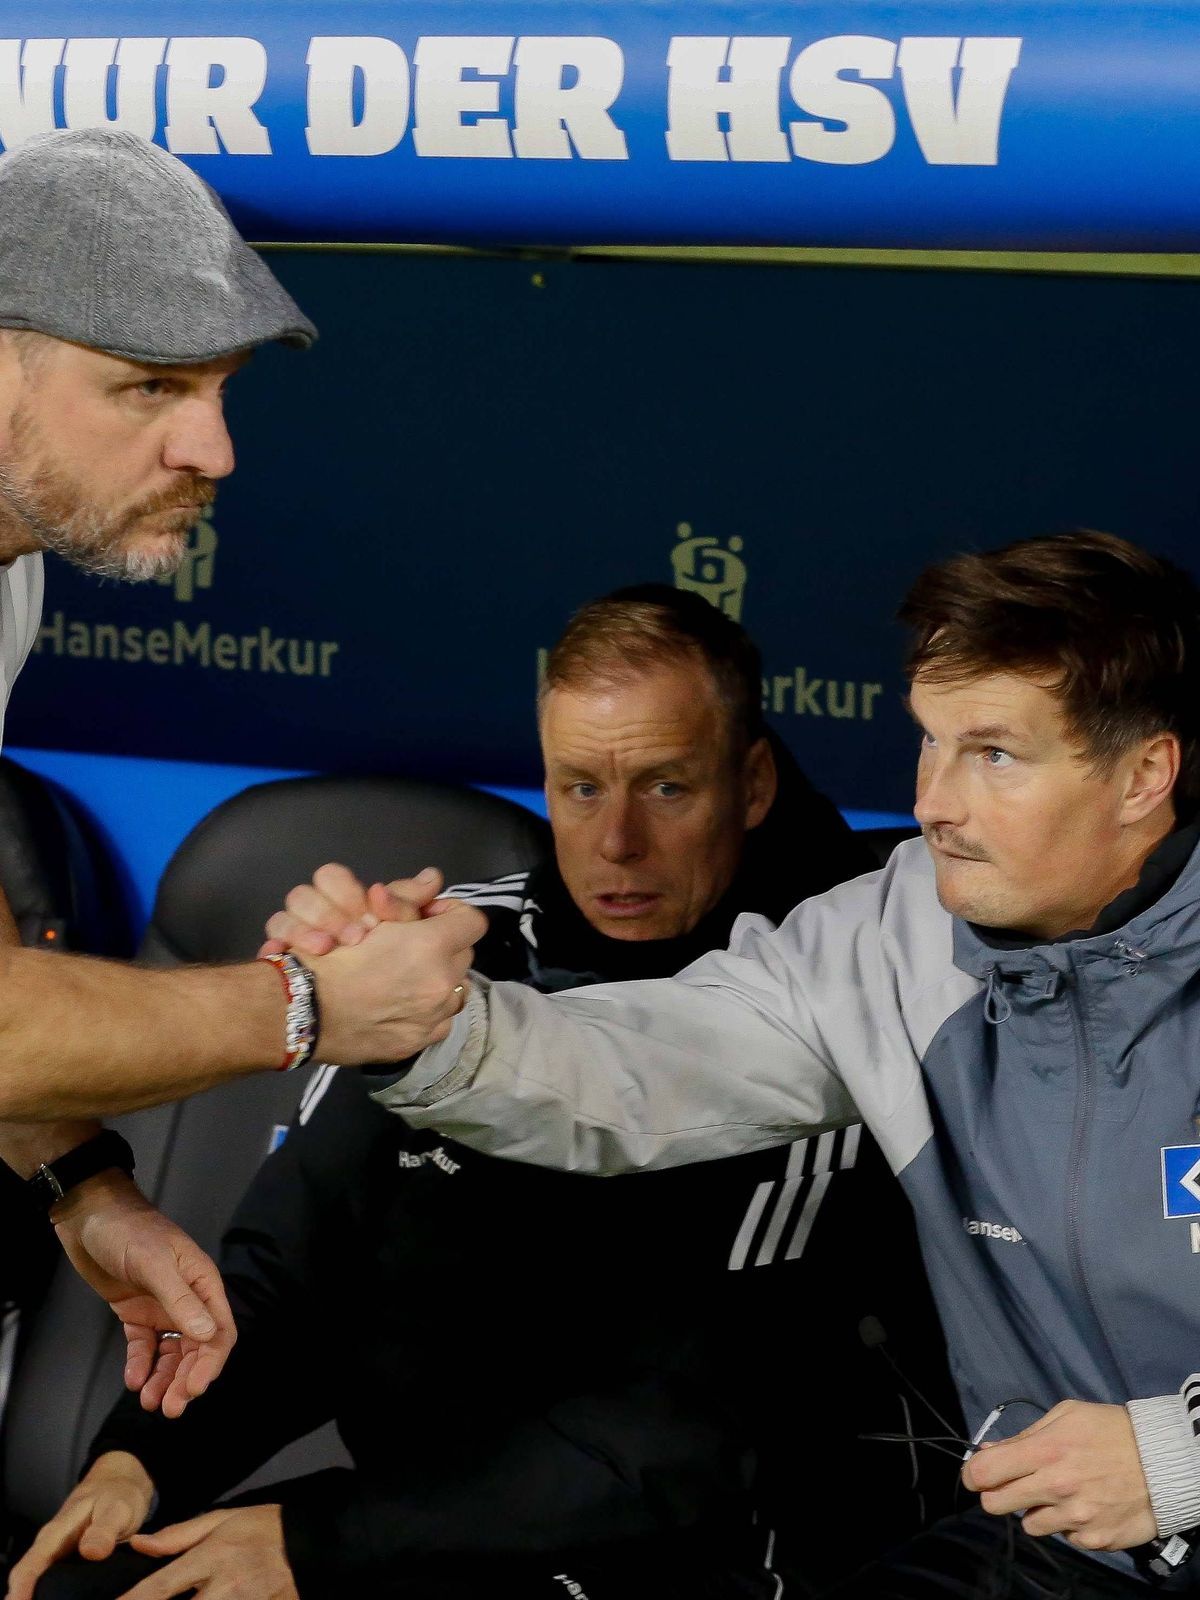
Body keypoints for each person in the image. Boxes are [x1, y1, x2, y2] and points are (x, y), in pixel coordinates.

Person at [280, 531, 1200, 1595]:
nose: (934, 801)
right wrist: (429, 1023)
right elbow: (647, 1064)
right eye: (931, 745)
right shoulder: (897, 933)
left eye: (992, 754)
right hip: (1053, 1554)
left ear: (1144, 775)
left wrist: (1174, 1457)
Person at [10, 588, 953, 1600]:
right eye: (580, 788)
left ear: (752, 782)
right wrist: (140, 1462)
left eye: (667, 788)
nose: (617, 841)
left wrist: (312, 1542)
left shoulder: (840, 1003)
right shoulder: (452, 956)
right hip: (418, 1532)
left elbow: (691, 1436)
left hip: (694, 1554)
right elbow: (293, 1274)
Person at [0, 126, 486, 1416]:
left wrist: (83, 1189)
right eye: (147, 388)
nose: (213, 449)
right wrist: (315, 1008)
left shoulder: (11, 565)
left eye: (218, 388)